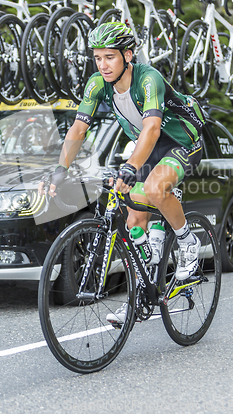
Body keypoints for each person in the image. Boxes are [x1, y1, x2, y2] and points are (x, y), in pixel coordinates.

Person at [38, 22, 206, 323]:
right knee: (132, 218)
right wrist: (60, 169)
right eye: (98, 58)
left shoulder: (148, 78)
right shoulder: (97, 84)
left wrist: (130, 167)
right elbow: (78, 128)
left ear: (128, 55)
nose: (103, 65)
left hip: (182, 142)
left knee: (155, 189)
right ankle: (140, 294)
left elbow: (152, 128)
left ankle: (186, 241)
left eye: (110, 57)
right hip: (148, 148)